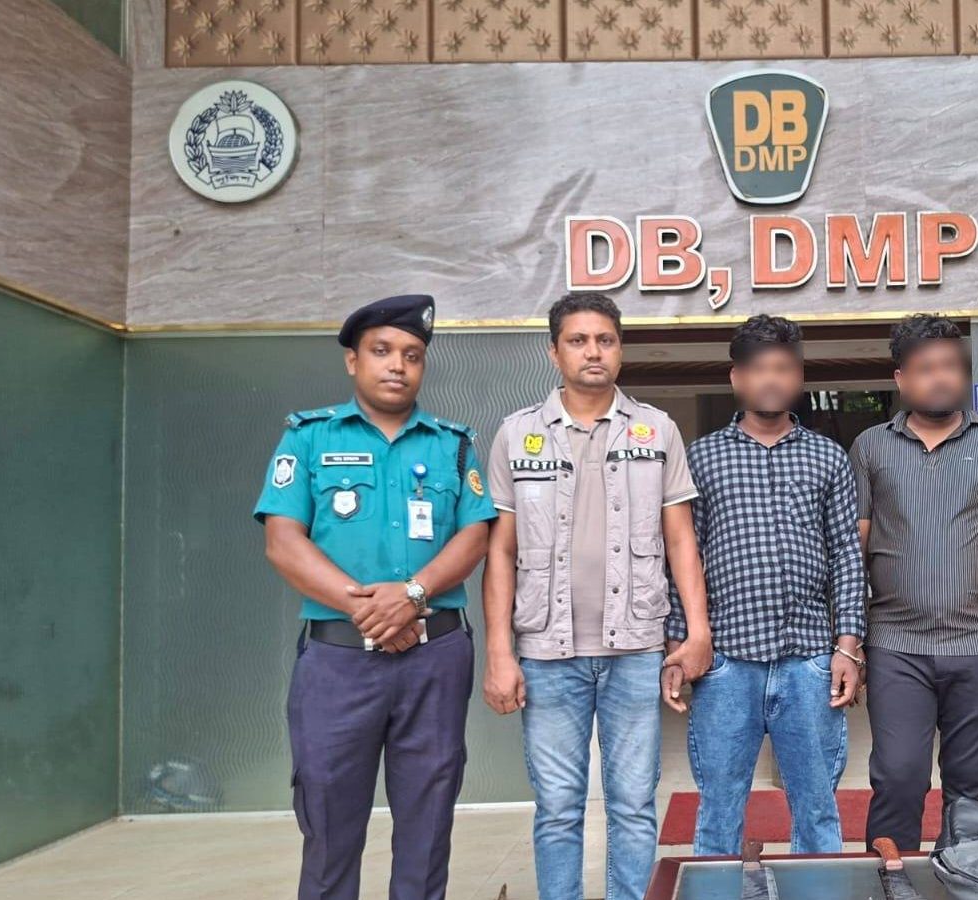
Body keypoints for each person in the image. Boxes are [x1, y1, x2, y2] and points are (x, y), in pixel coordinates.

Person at [254, 294, 496, 900]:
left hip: (434, 659)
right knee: (329, 822)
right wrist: (372, 609)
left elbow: (475, 534)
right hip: (338, 662)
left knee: (428, 823)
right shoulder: (308, 438)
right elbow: (283, 542)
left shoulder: (452, 444)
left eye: (412, 355)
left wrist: (413, 594)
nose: (397, 365)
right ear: (352, 361)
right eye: (382, 351)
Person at [480, 292, 712, 900]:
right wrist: (500, 652)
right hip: (545, 652)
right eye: (578, 340)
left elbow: (681, 540)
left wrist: (697, 631)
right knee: (558, 807)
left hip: (634, 648)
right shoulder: (518, 434)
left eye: (605, 340)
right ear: (553, 351)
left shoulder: (656, 430)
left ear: (620, 350)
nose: (593, 352)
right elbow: (500, 551)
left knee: (633, 804)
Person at [849, 313, 978, 851]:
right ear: (901, 379)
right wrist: (848, 639)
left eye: (950, 366)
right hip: (896, 643)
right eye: (925, 368)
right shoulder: (871, 447)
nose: (940, 377)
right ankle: (891, 883)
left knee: (973, 789)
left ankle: (969, 879)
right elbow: (854, 545)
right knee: (898, 776)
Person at [666, 314, 866, 855]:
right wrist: (679, 646)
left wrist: (847, 647)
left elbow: (847, 554)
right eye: (758, 369)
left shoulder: (827, 457)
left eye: (782, 368)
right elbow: (682, 558)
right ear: (737, 378)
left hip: (809, 660)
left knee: (817, 808)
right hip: (726, 662)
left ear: (799, 376)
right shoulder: (701, 458)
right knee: (719, 809)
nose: (771, 379)